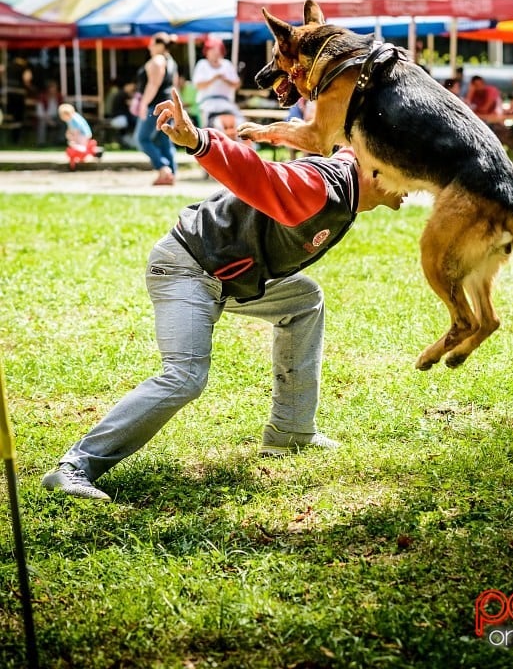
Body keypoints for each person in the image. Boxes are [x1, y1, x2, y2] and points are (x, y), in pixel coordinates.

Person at [41, 88, 405, 501]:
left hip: (228, 275)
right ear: (374, 170)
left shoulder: (348, 176)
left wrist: (280, 130)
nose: (411, 187)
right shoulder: (320, 187)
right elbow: (258, 174)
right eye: (406, 173)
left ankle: (290, 431)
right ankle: (75, 466)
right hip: (188, 267)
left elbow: (329, 134)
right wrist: (199, 141)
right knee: (185, 376)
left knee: (304, 300)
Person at [134, 32, 179, 186]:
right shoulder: (171, 61)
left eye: (152, 43)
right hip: (168, 104)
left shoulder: (158, 60)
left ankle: (163, 168)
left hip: (156, 106)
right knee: (164, 140)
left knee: (142, 138)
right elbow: (174, 84)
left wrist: (143, 104)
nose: (149, 46)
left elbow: (153, 84)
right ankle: (171, 174)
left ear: (160, 45)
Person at [192, 35, 244, 125]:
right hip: (207, 104)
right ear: (207, 52)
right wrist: (214, 79)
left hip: (226, 103)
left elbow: (237, 85)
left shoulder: (227, 64)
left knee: (240, 122)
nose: (215, 52)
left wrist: (225, 80)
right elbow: (197, 85)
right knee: (210, 125)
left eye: (217, 49)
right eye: (212, 50)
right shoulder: (202, 64)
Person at [36, 79, 64, 146]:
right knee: (42, 123)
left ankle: (61, 140)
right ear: (48, 89)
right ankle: (41, 143)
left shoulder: (59, 97)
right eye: (52, 88)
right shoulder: (42, 97)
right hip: (45, 117)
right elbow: (40, 113)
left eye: (55, 88)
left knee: (64, 121)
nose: (53, 90)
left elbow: (62, 109)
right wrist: (48, 120)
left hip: (56, 117)